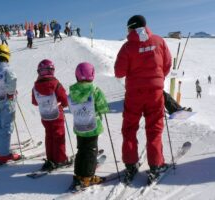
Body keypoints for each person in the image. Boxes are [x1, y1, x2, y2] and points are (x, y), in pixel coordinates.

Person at [114, 15, 172, 185]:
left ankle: (131, 165)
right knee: (154, 128)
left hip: (134, 94)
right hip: (155, 93)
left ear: (131, 28)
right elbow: (167, 65)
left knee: (130, 129)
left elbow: (119, 72)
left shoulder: (127, 47)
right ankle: (156, 165)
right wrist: (156, 80)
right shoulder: (159, 41)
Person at [68, 62, 109, 188]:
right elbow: (103, 107)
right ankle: (87, 177)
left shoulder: (72, 92)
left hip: (79, 127)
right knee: (91, 152)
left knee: (81, 150)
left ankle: (78, 174)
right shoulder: (95, 91)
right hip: (92, 127)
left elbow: (71, 109)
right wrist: (101, 110)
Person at [31, 59, 70, 171]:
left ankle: (51, 158)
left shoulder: (35, 86)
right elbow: (64, 99)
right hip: (56, 114)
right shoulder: (55, 83)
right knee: (59, 136)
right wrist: (63, 104)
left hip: (45, 115)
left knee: (49, 135)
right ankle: (60, 159)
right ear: (51, 70)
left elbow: (34, 101)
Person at [0, 44, 20, 163]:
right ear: (7, 56)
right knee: (7, 126)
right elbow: (12, 82)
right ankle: (3, 154)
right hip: (8, 101)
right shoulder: (8, 70)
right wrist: (11, 92)